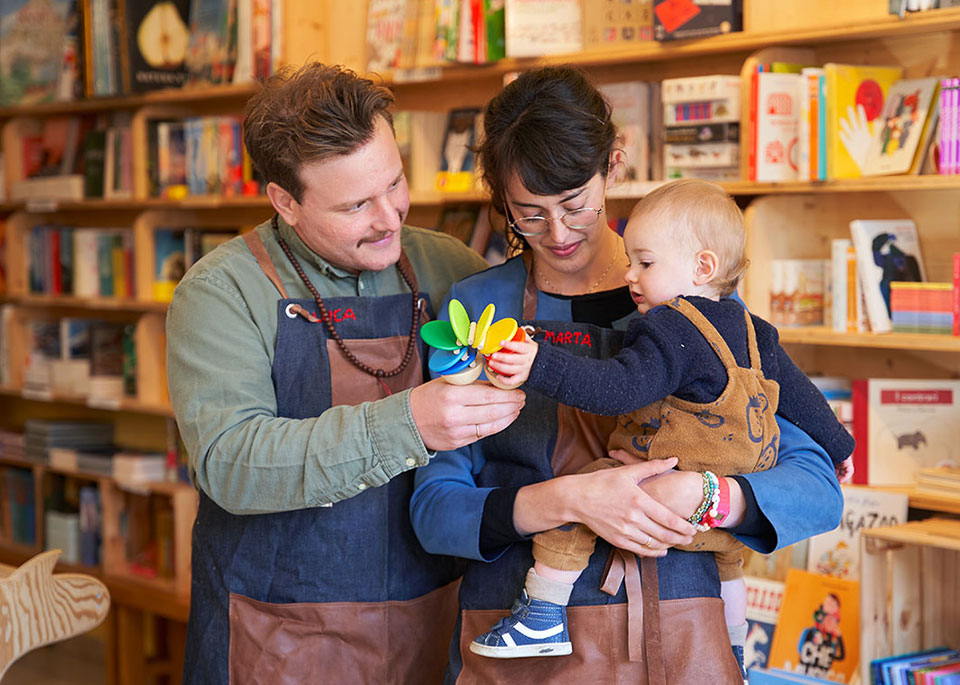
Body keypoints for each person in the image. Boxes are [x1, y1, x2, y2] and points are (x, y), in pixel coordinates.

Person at [409, 65, 844, 683]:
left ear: (613, 165)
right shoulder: (479, 309)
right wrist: (567, 499)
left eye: (575, 205)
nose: (557, 234)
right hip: (516, 633)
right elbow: (434, 512)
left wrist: (709, 498)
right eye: (528, 215)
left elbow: (818, 489)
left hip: (677, 631)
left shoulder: (701, 311)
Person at [165, 63, 526, 684]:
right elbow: (229, 461)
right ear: (286, 202)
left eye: (395, 182)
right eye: (357, 204)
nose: (390, 217)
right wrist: (408, 424)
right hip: (277, 636)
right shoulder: (221, 291)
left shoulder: (448, 266)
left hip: (433, 620)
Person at [470, 179, 854, 660]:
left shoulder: (671, 327)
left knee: (583, 498)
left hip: (666, 487)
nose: (631, 275)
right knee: (729, 561)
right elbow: (801, 399)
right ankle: (735, 652)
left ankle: (543, 615)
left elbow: (617, 390)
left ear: (703, 266)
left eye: (646, 263)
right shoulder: (758, 333)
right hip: (727, 500)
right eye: (630, 260)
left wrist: (537, 362)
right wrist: (840, 449)